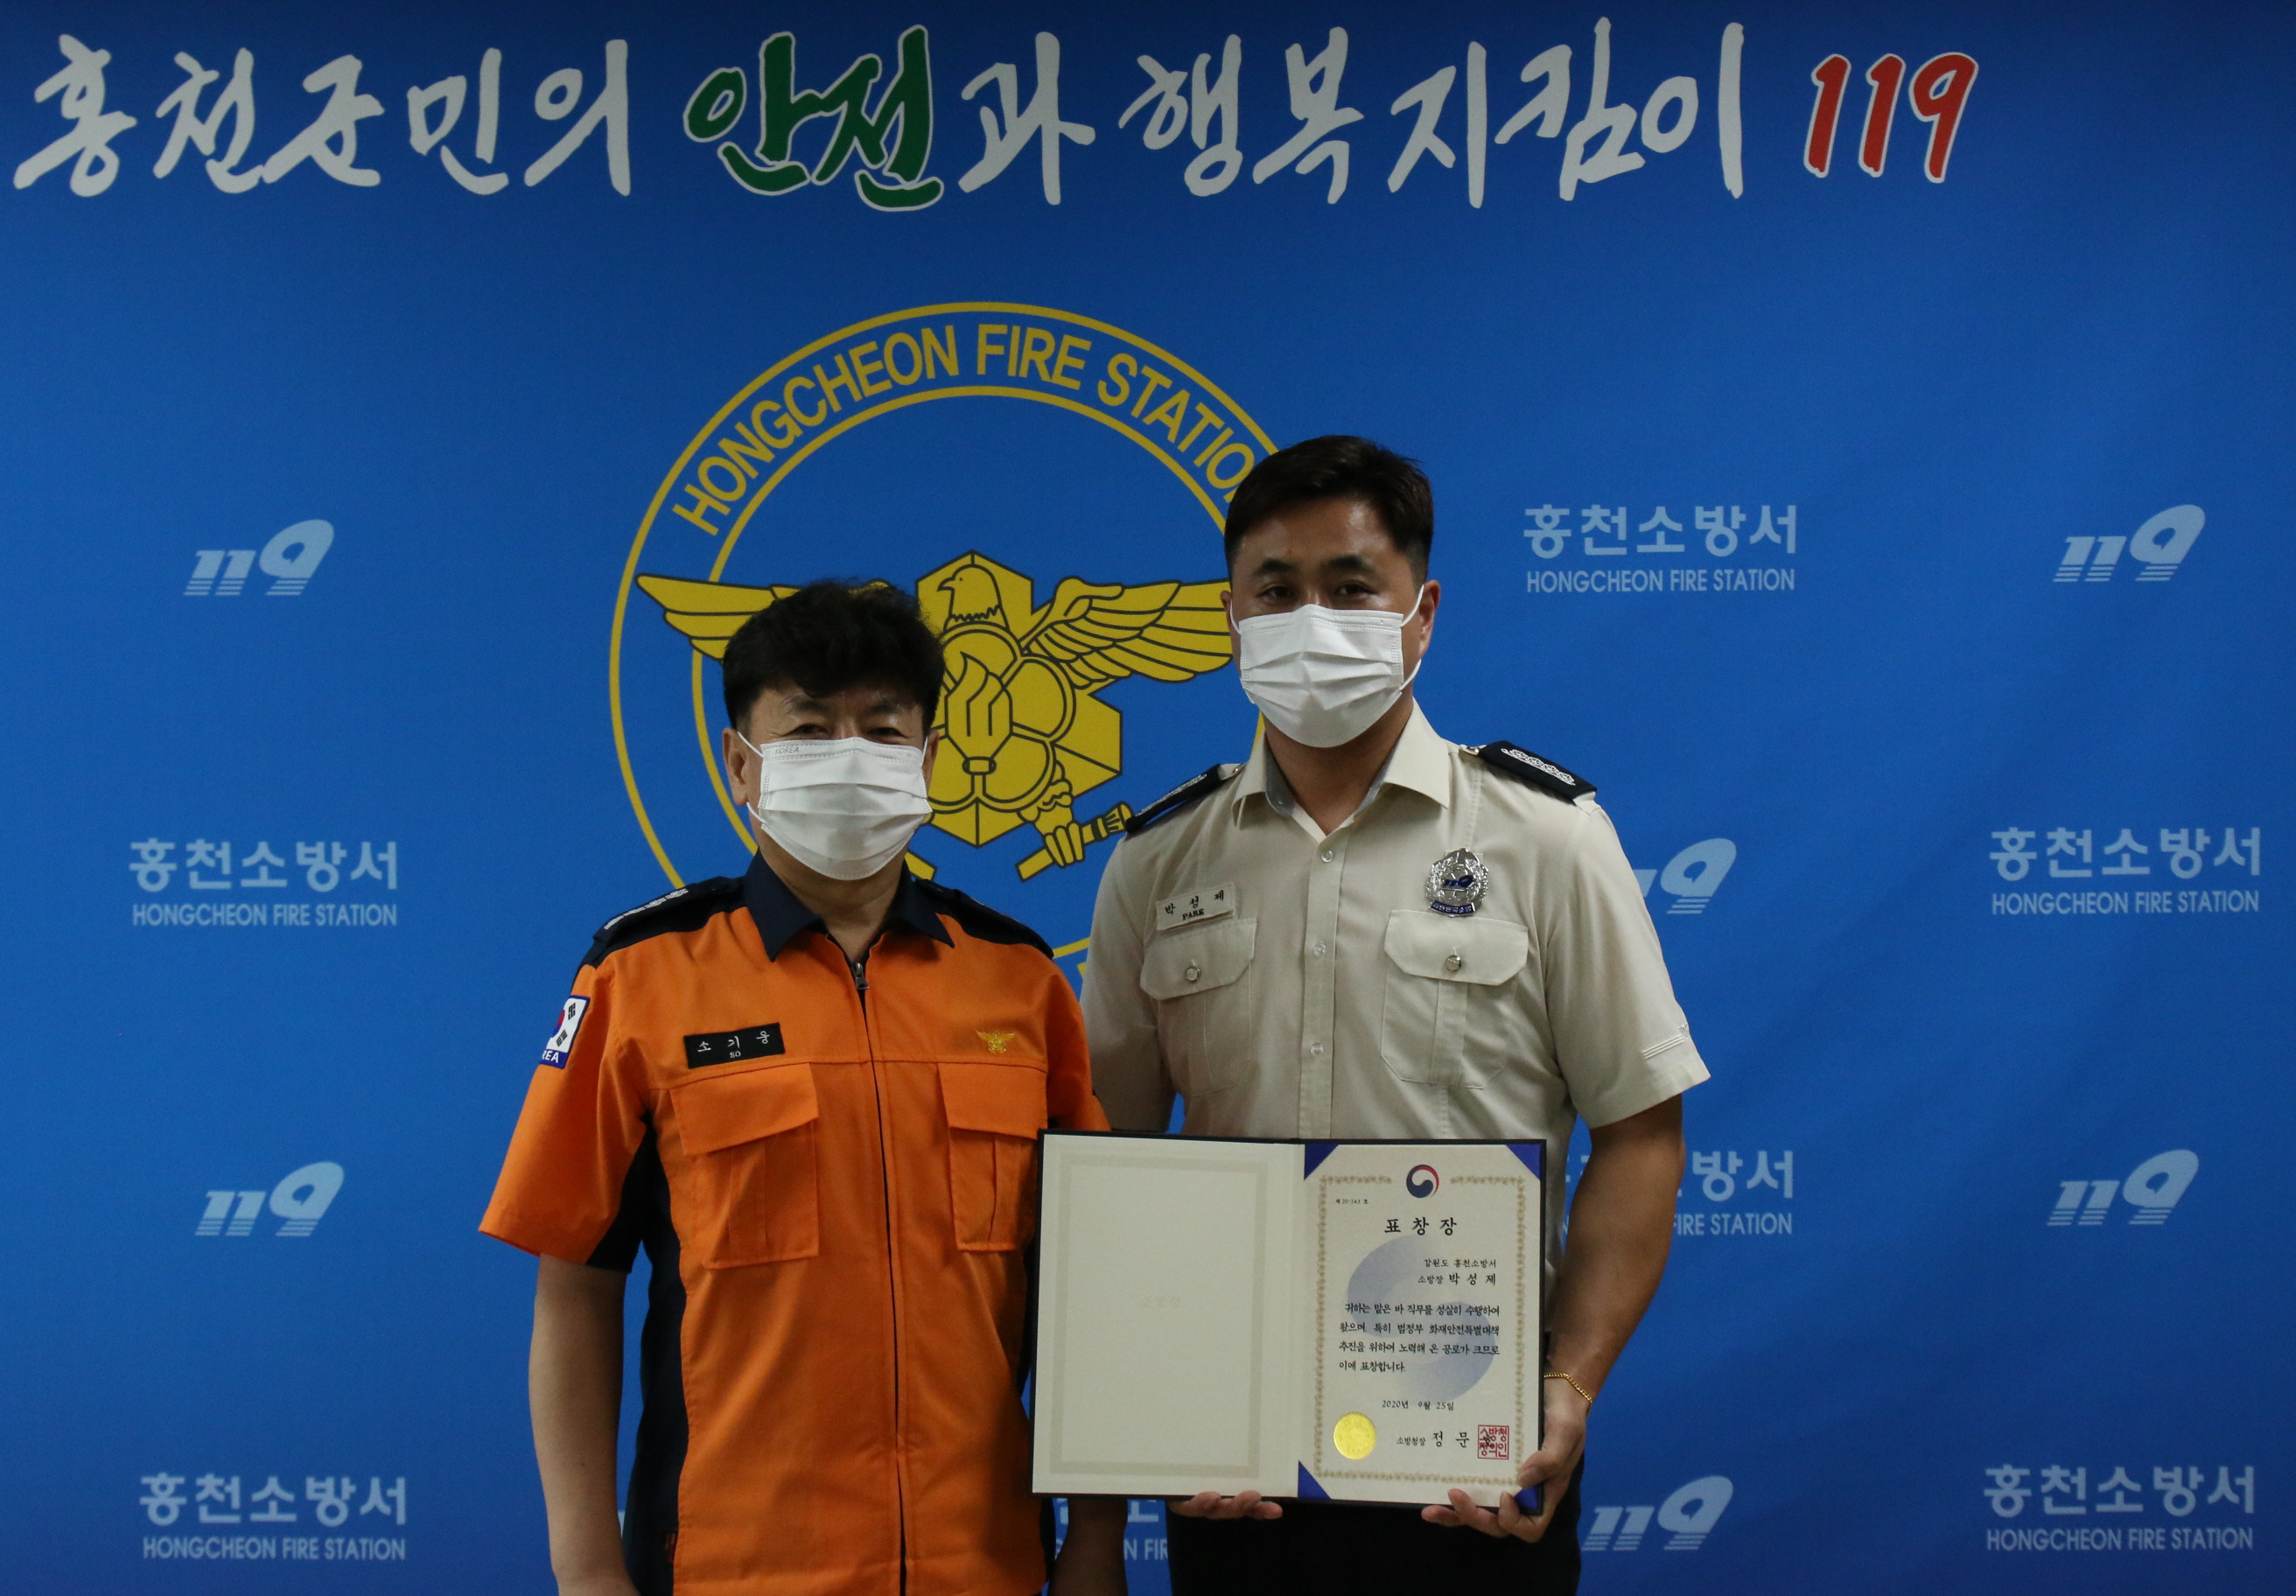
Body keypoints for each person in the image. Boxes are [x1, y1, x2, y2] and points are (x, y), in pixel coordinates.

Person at [1081, 437, 1706, 1594]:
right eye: (1277, 590)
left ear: (1421, 616)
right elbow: (1108, 1166)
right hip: (1236, 1457)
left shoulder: (1548, 837)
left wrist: (1567, 1386)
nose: (1311, 618)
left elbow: (1641, 1130)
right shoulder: (1158, 863)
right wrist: (1143, 1415)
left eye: (1350, 587)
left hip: (1474, 1465)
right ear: (1231, 617)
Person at [481, 581, 1127, 1596]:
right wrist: (588, 1566)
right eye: (812, 729)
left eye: (882, 730)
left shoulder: (1018, 977)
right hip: (731, 1564)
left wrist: (1095, 1536)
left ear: (928, 760)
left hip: (983, 1563)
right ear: (742, 762)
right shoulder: (641, 974)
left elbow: (1090, 1286)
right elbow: (575, 1287)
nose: (849, 757)